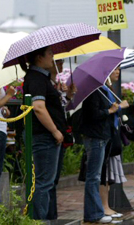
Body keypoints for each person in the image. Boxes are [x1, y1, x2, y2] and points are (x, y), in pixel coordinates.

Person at [21, 46, 67, 219]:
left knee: (45, 182)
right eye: (49, 54)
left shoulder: (41, 78)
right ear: (39, 57)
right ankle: (39, 221)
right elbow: (39, 108)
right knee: (43, 183)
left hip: (45, 137)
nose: (53, 57)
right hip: (44, 137)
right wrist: (55, 131)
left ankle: (42, 219)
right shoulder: (36, 78)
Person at [80, 67, 124, 223]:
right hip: (95, 137)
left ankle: (96, 212)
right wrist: (109, 111)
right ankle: (94, 214)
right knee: (94, 177)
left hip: (103, 136)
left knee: (97, 176)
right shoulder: (94, 91)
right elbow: (92, 114)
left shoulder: (103, 90)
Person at [47, 59, 77, 220]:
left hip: (60, 134)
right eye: (58, 62)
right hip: (51, 135)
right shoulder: (45, 83)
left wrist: (68, 95)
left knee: (54, 178)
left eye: (62, 63)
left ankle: (52, 214)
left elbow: (63, 108)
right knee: (48, 179)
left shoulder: (55, 84)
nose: (61, 66)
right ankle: (47, 216)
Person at [99, 67, 128, 218]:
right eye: (115, 70)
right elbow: (105, 110)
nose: (118, 72)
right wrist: (118, 108)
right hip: (104, 135)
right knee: (103, 173)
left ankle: (106, 206)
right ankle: (103, 206)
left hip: (110, 134)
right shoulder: (101, 89)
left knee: (108, 173)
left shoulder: (108, 89)